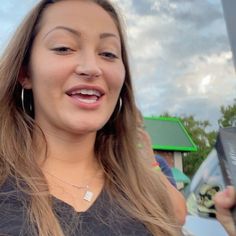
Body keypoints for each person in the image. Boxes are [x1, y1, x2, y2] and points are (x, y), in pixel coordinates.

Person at [0, 0, 186, 235]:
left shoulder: (147, 191)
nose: (91, 67)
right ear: (25, 72)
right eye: (63, 48)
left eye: (108, 53)